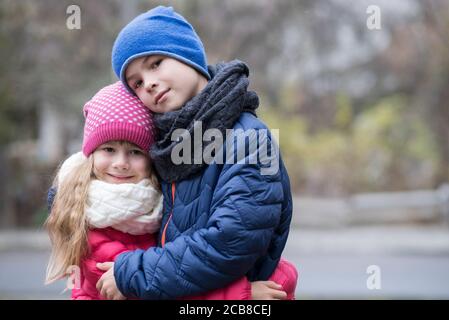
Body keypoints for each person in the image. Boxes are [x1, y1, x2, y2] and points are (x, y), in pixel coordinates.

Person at [96, 6, 297, 300]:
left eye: (155, 63)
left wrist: (133, 272)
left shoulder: (252, 140)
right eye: (136, 82)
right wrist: (67, 194)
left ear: (187, 55)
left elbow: (232, 242)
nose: (149, 83)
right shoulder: (166, 146)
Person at [45, 81, 294, 300]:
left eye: (135, 152)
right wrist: (244, 295)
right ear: (90, 155)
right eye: (108, 150)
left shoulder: (153, 202)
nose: (121, 162)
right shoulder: (89, 218)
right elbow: (154, 291)